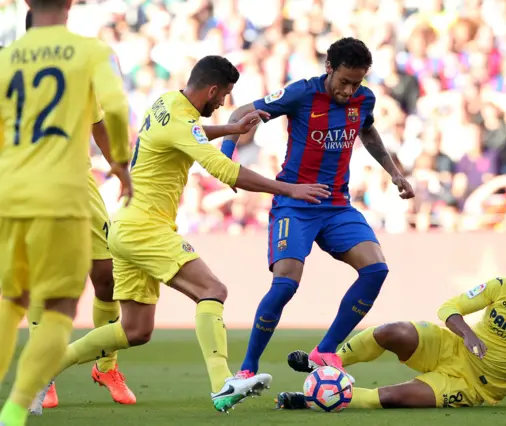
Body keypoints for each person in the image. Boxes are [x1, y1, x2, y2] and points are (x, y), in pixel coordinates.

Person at [37, 54, 331, 414]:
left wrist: (229, 130)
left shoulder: (167, 102)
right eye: (223, 96)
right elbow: (222, 168)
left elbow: (187, 133)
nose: (223, 103)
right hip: (145, 227)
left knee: (135, 330)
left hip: (126, 227)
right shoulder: (180, 117)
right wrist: (289, 190)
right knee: (212, 291)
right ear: (211, 89)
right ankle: (223, 383)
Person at [222, 37, 415, 380]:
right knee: (285, 285)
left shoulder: (363, 99)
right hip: (295, 203)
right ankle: (247, 370)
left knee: (376, 270)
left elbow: (367, 133)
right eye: (344, 81)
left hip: (338, 206)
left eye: (357, 82)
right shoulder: (301, 94)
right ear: (329, 67)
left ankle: (325, 350)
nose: (349, 90)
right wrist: (223, 161)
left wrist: (395, 173)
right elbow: (239, 114)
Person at [278, 247, 506, 410]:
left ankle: (309, 399)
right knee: (391, 330)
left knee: (394, 398)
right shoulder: (500, 286)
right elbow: (449, 308)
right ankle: (325, 364)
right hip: (452, 347)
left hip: (476, 386)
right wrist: (468, 333)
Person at [0, 0, 132, 424]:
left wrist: (116, 167)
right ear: (71, 5)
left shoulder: (6, 63)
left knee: (100, 276)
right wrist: (125, 164)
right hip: (60, 189)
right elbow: (114, 108)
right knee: (56, 302)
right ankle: (30, 393)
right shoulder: (89, 52)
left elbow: (98, 118)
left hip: (31, 189)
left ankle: (104, 367)